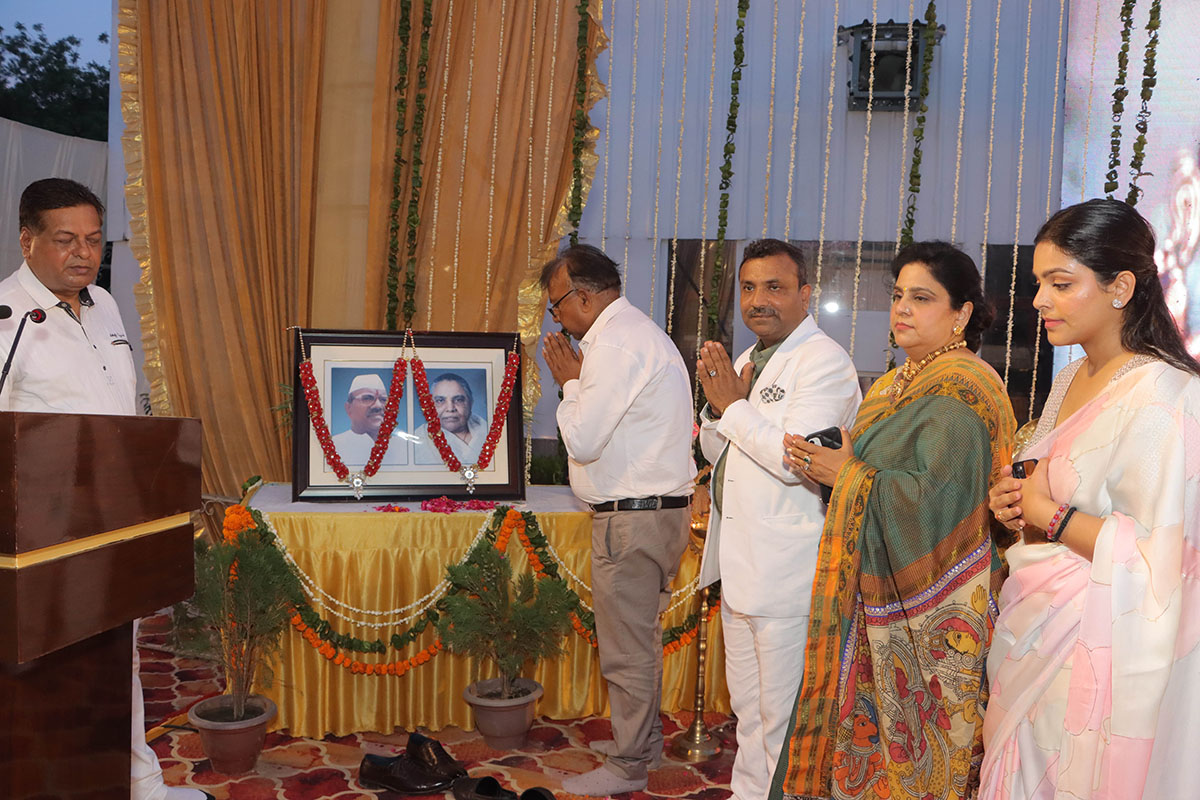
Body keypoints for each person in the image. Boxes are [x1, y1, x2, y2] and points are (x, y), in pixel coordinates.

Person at [772, 241, 1016, 800]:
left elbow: (940, 508)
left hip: (929, 614)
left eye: (922, 298)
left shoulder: (963, 390)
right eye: (899, 295)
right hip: (871, 599)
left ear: (961, 313)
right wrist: (833, 469)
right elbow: (874, 474)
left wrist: (849, 475)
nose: (902, 308)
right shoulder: (892, 384)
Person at [0, 178, 211, 799]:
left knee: (120, 656)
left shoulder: (106, 306)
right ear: (27, 240)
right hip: (43, 538)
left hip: (114, 521)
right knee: (53, 673)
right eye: (65, 240)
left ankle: (140, 784)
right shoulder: (8, 318)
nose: (84, 253)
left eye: (93, 240)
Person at [982, 199, 1200, 799]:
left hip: (1093, 652)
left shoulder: (1165, 394)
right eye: (1038, 284)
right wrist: (1017, 503)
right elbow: (1056, 490)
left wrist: (1046, 515)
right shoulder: (1070, 378)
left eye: (1061, 284)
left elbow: (1159, 559)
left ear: (1120, 288)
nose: (1039, 300)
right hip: (1035, 629)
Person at [696, 238, 860, 800]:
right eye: (748, 288)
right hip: (742, 565)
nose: (758, 300)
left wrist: (732, 406)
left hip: (788, 573)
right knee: (748, 715)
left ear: (805, 294)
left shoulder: (824, 361)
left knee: (784, 723)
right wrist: (717, 411)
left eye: (774, 287)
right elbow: (718, 453)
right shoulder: (749, 358)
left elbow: (798, 462)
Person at [540, 244, 696, 796]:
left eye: (556, 305)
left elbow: (583, 440)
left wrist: (570, 384)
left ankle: (628, 767)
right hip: (655, 514)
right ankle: (642, 745)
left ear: (583, 297)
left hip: (632, 521)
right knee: (639, 642)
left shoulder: (613, 344)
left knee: (626, 651)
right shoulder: (637, 333)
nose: (555, 318)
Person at [413, 372, 487, 466]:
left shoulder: (486, 430)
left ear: (471, 402)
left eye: (458, 400)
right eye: (440, 401)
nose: (450, 408)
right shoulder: (417, 440)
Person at [331, 373, 404, 466]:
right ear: (348, 408)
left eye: (383, 400)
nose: (378, 406)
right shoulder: (335, 445)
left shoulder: (403, 448)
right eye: (367, 398)